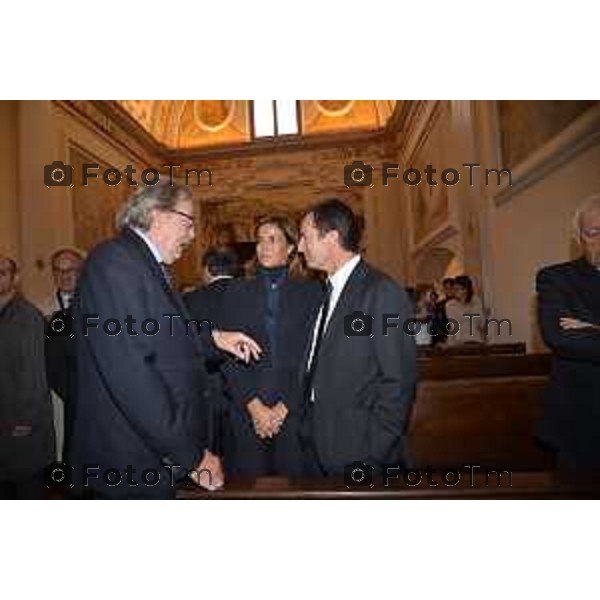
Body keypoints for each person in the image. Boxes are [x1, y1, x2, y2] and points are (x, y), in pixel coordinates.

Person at [70, 182, 261, 499]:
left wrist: (214, 339)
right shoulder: (115, 263)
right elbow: (133, 377)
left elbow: (161, 334)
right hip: (128, 461)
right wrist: (192, 456)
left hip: (147, 454)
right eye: (187, 224)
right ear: (158, 215)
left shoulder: (142, 264)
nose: (191, 236)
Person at [297, 199, 417, 478]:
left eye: (305, 237)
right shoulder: (325, 292)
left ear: (332, 238)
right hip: (316, 445)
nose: (300, 247)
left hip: (358, 454)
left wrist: (374, 453)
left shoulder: (381, 292)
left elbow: (399, 382)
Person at [219, 216, 322, 477]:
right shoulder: (236, 290)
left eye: (272, 239)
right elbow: (227, 356)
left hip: (293, 409)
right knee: (250, 493)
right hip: (246, 409)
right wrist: (254, 407)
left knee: (296, 492)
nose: (262, 246)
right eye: (260, 240)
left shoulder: (312, 293)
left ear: (290, 248)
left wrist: (284, 407)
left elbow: (314, 356)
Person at [536, 193, 600, 468]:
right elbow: (561, 338)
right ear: (578, 238)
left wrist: (592, 328)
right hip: (583, 421)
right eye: (594, 232)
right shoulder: (556, 278)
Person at [0, 256, 55, 499]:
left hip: (21, 426)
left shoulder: (27, 316)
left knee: (26, 491)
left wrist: (26, 419)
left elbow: (35, 372)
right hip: (3, 423)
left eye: (1, 272)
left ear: (15, 278)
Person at [184, 247, 240, 458]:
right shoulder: (250, 293)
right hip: (248, 393)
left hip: (206, 392)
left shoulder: (190, 300)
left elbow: (186, 345)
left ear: (206, 269)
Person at [42, 248, 84, 463]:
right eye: (58, 270)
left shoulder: (97, 305)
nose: (64, 275)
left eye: (71, 270)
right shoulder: (41, 311)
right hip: (58, 399)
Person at [444, 275, 485, 346]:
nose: (454, 292)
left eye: (457, 289)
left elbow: (481, 323)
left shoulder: (476, 302)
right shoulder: (450, 305)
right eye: (454, 289)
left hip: (476, 340)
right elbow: (454, 325)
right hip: (457, 342)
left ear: (465, 290)